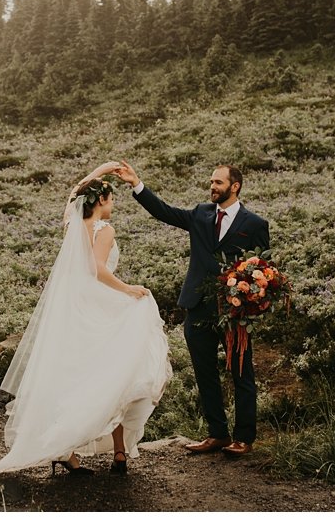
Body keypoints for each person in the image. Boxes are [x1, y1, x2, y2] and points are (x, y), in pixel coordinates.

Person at [0, 162, 171, 476]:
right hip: (97, 308)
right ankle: (118, 454)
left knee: (82, 380)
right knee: (114, 378)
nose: (114, 204)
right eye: (111, 198)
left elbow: (76, 192)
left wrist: (101, 171)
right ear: (101, 200)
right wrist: (129, 289)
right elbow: (98, 270)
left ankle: (69, 452)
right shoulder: (104, 230)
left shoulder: (72, 223)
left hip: (75, 309)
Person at [113, 161, 270, 455]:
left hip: (234, 314)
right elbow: (165, 212)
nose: (212, 187)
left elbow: (264, 268)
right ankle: (217, 434)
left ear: (234, 187)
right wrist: (136, 184)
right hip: (197, 307)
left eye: (218, 183)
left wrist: (248, 297)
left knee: (241, 374)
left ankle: (244, 438)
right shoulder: (200, 214)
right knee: (204, 372)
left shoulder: (255, 224)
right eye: (211, 182)